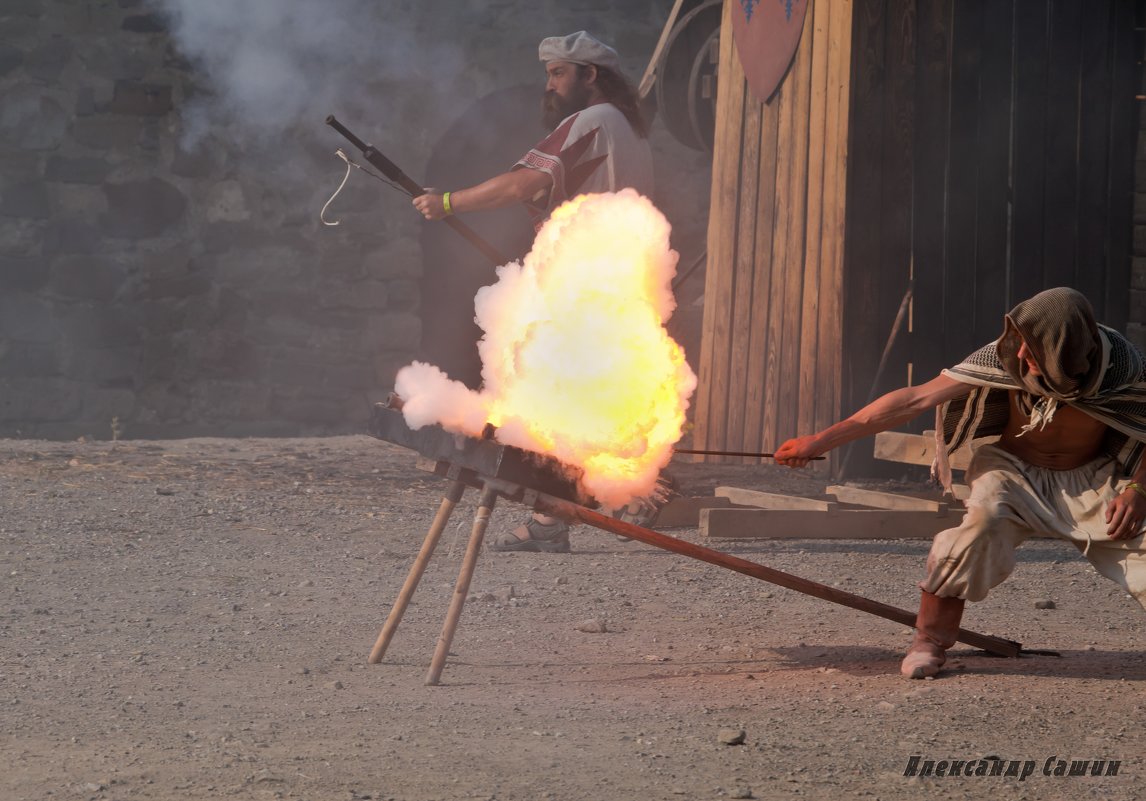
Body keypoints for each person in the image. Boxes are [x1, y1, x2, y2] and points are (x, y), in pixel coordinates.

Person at [774, 287, 1146, 679]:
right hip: (1012, 471)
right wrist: (820, 440)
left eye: (1034, 349)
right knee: (975, 532)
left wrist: (1138, 489)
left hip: (1093, 479)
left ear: (1063, 350)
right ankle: (929, 641)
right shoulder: (1005, 355)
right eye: (1019, 343)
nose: (1020, 355)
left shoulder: (1122, 369)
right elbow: (913, 400)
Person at [412, 31, 655, 553]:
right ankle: (609, 500)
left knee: (559, 401)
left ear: (589, 75)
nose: (549, 84)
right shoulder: (629, 129)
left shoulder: (593, 120)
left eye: (558, 73)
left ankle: (557, 520)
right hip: (610, 278)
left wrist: (449, 203)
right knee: (577, 400)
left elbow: (525, 183)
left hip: (585, 280)